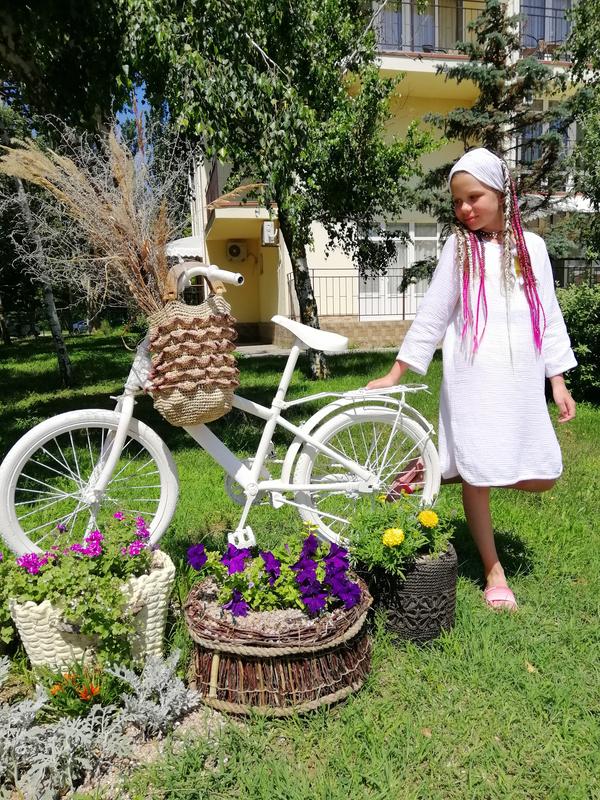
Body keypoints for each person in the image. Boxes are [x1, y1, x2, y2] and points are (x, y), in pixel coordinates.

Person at [367, 148, 577, 610]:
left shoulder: (533, 249)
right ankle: (492, 571)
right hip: (472, 376)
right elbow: (434, 314)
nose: (464, 209)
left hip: (520, 380)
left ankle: (438, 468)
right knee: (479, 472)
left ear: (501, 193)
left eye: (474, 197)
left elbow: (548, 316)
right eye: (457, 202)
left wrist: (557, 380)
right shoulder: (459, 249)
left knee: (543, 474)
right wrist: (397, 370)